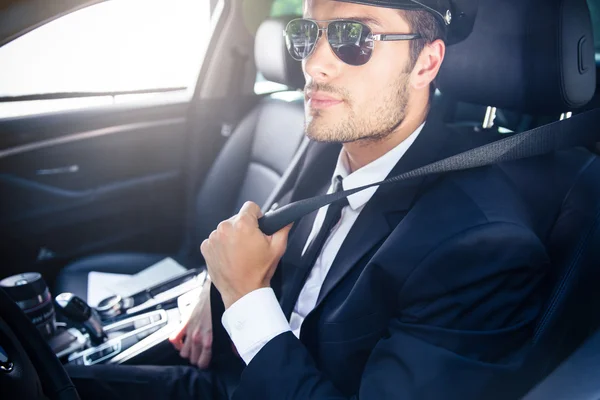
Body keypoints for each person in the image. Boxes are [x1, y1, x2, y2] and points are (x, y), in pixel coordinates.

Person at [66, 0, 548, 398]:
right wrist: (212, 290)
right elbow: (260, 246)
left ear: (426, 63)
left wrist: (243, 298)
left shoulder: (482, 246)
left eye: (354, 37)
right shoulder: (329, 142)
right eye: (307, 33)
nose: (313, 62)